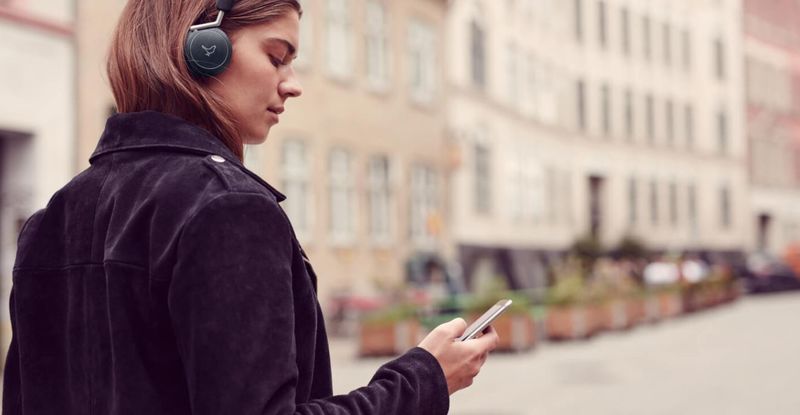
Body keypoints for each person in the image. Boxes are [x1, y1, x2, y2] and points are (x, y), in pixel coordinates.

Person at [2, 1, 498, 414]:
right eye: (277, 56)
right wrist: (424, 379)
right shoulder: (228, 208)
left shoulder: (50, 220)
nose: (292, 83)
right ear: (203, 49)